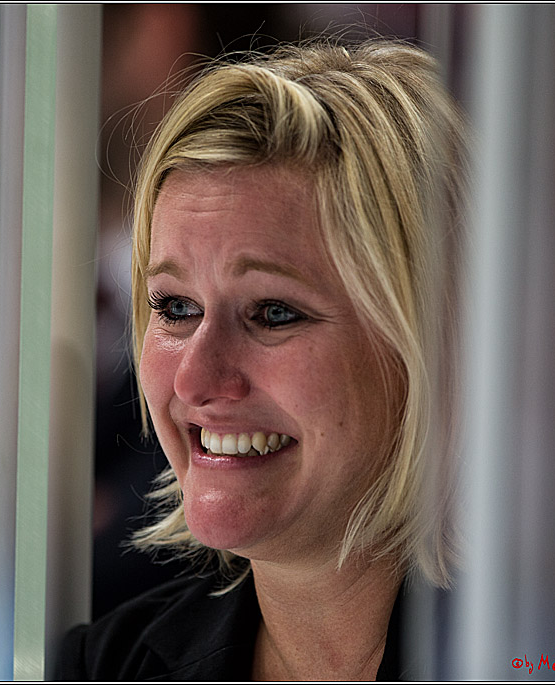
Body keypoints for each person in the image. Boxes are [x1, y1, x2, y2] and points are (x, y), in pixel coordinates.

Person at [57, 37, 465, 681]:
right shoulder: (103, 667)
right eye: (174, 308)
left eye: (274, 312)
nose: (194, 377)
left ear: (432, 342)